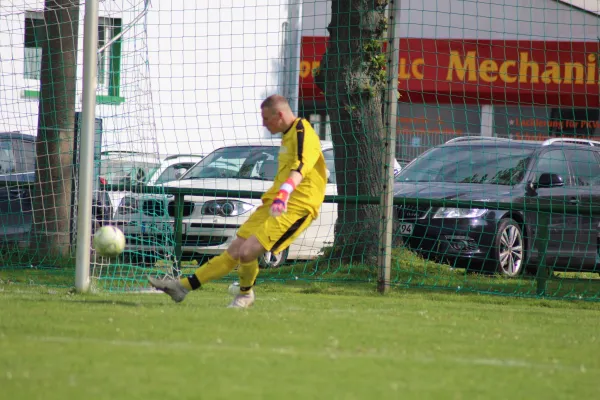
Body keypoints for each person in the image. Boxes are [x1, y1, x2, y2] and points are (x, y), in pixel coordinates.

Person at [148, 94, 328, 308]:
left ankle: (245, 294)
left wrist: (284, 193)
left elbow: (301, 167)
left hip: (296, 207)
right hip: (274, 204)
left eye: (266, 118)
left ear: (279, 115)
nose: (263, 123)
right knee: (234, 251)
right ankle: (182, 287)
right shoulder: (287, 135)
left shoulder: (303, 132)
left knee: (247, 252)